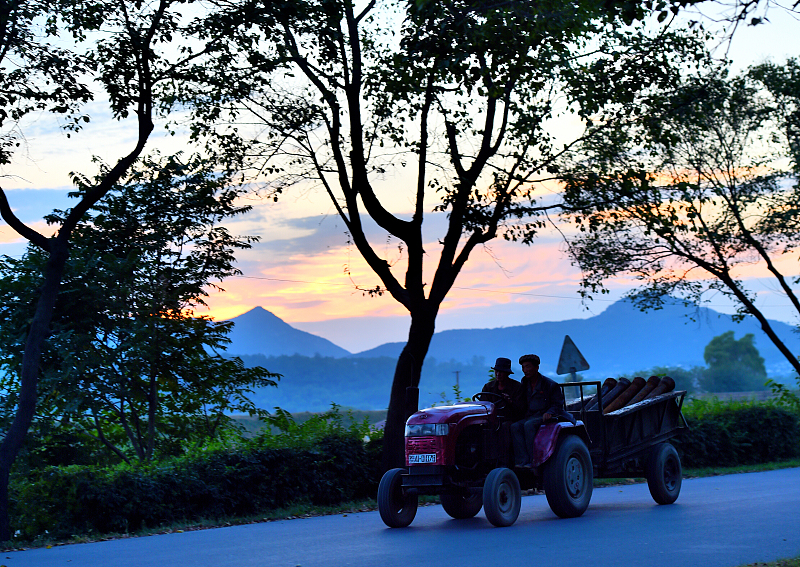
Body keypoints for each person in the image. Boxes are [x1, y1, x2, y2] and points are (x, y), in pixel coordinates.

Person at [511, 354, 568, 468]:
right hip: (530, 415)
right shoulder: (525, 382)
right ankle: (522, 460)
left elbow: (557, 403)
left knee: (528, 425)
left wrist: (549, 412)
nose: (525, 370)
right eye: (523, 367)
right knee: (515, 426)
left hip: (543, 415)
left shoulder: (550, 384)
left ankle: (534, 459)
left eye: (528, 367)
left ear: (536, 367)